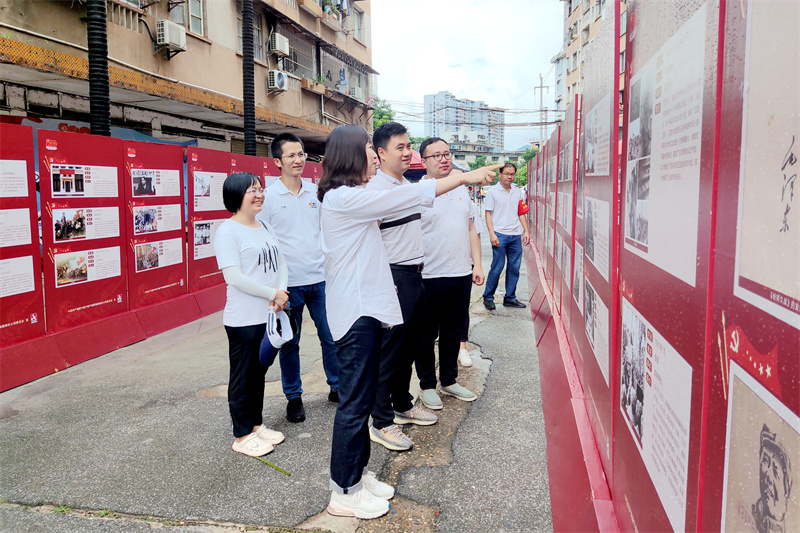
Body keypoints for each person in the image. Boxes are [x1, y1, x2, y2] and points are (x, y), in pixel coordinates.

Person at [317, 124, 498, 519]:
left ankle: (357, 478)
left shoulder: (352, 195)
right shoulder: (343, 198)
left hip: (365, 309)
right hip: (355, 313)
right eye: (369, 148)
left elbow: (401, 195)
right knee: (354, 405)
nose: (373, 154)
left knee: (360, 400)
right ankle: (343, 492)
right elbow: (410, 194)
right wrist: (463, 177)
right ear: (354, 155)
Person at [365, 122, 438, 452]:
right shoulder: (376, 191)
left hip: (414, 274)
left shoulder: (405, 183)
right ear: (381, 153)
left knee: (409, 346)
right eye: (400, 147)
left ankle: (402, 404)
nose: (408, 152)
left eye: (409, 146)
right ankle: (380, 422)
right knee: (391, 350)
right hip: (394, 276)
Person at [257, 133, 339, 423]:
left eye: (301, 154)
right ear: (277, 161)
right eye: (291, 155)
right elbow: (264, 242)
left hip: (320, 279)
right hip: (288, 285)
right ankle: (294, 397)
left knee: (331, 336)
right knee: (289, 343)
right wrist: (273, 287)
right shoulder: (268, 197)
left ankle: (336, 386)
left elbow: (326, 231)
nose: (298, 160)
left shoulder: (316, 192)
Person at [214, 172, 289, 457]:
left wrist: (281, 292)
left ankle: (256, 425)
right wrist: (273, 294)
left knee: (259, 374)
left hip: (268, 316)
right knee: (243, 376)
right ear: (236, 196)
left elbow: (281, 262)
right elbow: (234, 277)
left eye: (260, 189)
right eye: (251, 190)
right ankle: (242, 433)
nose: (259, 194)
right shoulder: (228, 231)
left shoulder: (265, 225)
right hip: (243, 319)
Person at [414, 137, 485, 410]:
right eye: (437, 155)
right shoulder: (418, 192)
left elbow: (471, 229)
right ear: (424, 161)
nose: (444, 159)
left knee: (453, 330)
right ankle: (427, 385)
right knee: (425, 334)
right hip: (429, 275)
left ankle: (449, 380)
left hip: (460, 273)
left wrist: (476, 265)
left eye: (447, 154)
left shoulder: (460, 191)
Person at [482, 162, 530, 310]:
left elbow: (520, 212)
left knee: (514, 268)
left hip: (515, 235)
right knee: (497, 267)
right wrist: (492, 234)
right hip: (500, 235)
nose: (510, 177)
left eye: (512, 174)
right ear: (500, 174)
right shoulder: (493, 192)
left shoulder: (516, 191)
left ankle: (510, 298)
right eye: (507, 173)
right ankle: (488, 297)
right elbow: (488, 214)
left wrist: (526, 231)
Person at [752, 424, 793, 533]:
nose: (768, 476)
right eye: (765, 462)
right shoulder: (751, 517)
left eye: (775, 470)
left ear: (786, 487)